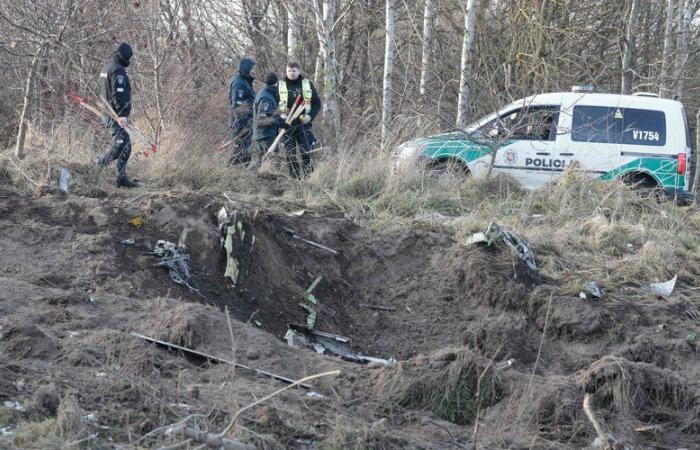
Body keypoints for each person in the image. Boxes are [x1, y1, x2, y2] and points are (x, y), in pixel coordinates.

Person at [97, 43, 137, 188]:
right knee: (123, 144)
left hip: (108, 111)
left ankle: (121, 177)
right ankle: (99, 164)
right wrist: (122, 115)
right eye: (129, 58)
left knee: (125, 144)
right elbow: (118, 94)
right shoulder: (118, 70)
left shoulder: (106, 67)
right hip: (113, 114)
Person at [278, 62, 321, 178]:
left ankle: (309, 179)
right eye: (289, 71)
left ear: (299, 71)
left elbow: (317, 103)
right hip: (287, 126)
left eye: (294, 71)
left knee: (306, 152)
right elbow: (273, 105)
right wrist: (280, 114)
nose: (291, 73)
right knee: (290, 154)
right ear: (286, 72)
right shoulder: (280, 85)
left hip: (303, 124)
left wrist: (310, 116)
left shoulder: (307, 84)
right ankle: (295, 180)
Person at [250, 73, 290, 171]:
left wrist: (282, 121)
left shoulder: (268, 94)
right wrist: (279, 123)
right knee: (274, 160)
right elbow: (262, 119)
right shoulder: (266, 97)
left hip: (263, 134)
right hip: (265, 135)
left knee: (259, 160)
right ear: (276, 84)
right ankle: (272, 183)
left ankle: (246, 177)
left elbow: (271, 114)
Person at [228, 58, 256, 164]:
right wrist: (243, 124)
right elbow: (237, 107)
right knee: (238, 152)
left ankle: (243, 176)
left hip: (247, 122)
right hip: (240, 124)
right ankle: (228, 175)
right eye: (252, 68)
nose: (254, 71)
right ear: (247, 68)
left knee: (245, 153)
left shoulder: (246, 81)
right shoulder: (238, 82)